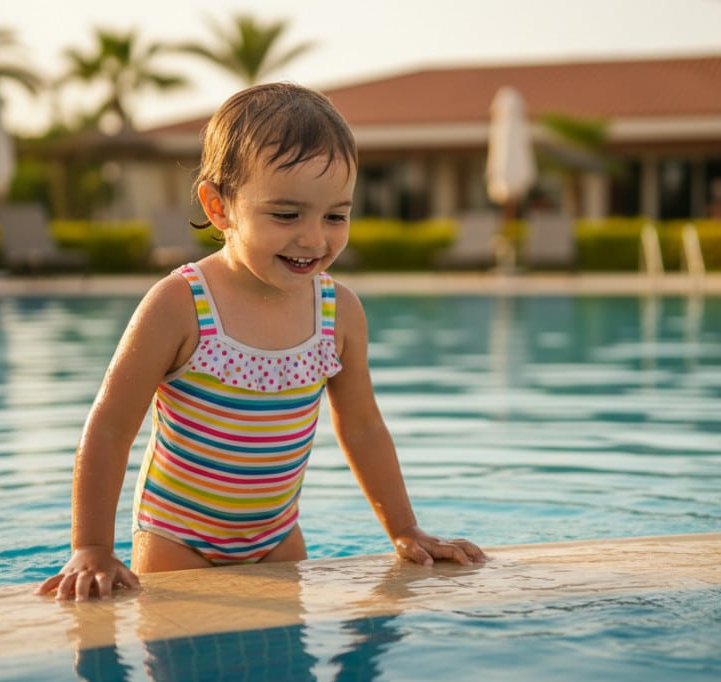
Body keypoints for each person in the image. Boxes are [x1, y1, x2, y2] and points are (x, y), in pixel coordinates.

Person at [37, 82, 487, 601]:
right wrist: (91, 546)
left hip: (277, 538)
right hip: (178, 540)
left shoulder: (338, 312)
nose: (314, 238)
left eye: (335, 216)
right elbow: (111, 427)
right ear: (219, 207)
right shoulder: (180, 304)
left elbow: (362, 427)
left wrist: (405, 530)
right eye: (286, 214)